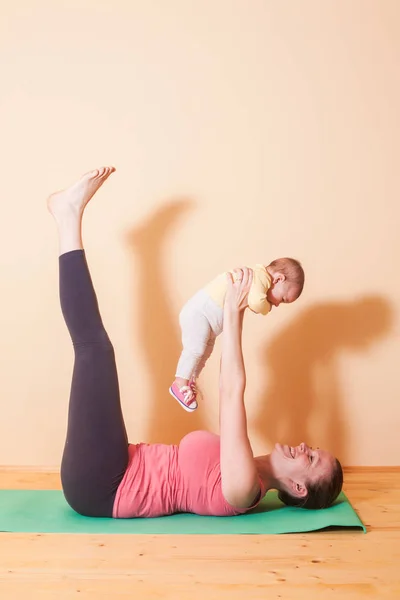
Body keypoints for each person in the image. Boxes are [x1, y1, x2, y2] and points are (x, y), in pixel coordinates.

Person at [48, 166, 343, 519]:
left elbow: (232, 389)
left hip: (103, 486)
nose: (303, 447)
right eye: (312, 449)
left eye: (310, 458)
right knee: (96, 351)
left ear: (298, 488)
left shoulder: (244, 488)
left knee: (94, 351)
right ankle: (93, 227)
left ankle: (68, 219)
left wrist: (234, 312)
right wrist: (237, 307)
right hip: (118, 461)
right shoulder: (244, 465)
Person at [170, 258, 305, 412]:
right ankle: (179, 383)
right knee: (196, 350)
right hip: (199, 314)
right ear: (279, 279)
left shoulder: (259, 281)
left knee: (205, 353)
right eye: (282, 299)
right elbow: (256, 303)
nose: (277, 304)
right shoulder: (260, 277)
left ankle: (190, 380)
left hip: (208, 323)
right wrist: (266, 308)